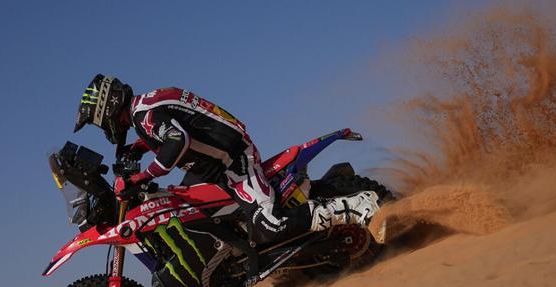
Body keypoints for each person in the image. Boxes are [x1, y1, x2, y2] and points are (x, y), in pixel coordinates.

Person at [73, 74, 379, 240]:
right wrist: (141, 147)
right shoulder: (147, 106)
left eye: (97, 120)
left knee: (271, 225)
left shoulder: (146, 115)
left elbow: (178, 139)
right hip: (220, 163)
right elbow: (182, 126)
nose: (102, 127)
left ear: (107, 107)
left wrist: (144, 176)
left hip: (235, 161)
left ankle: (355, 207)